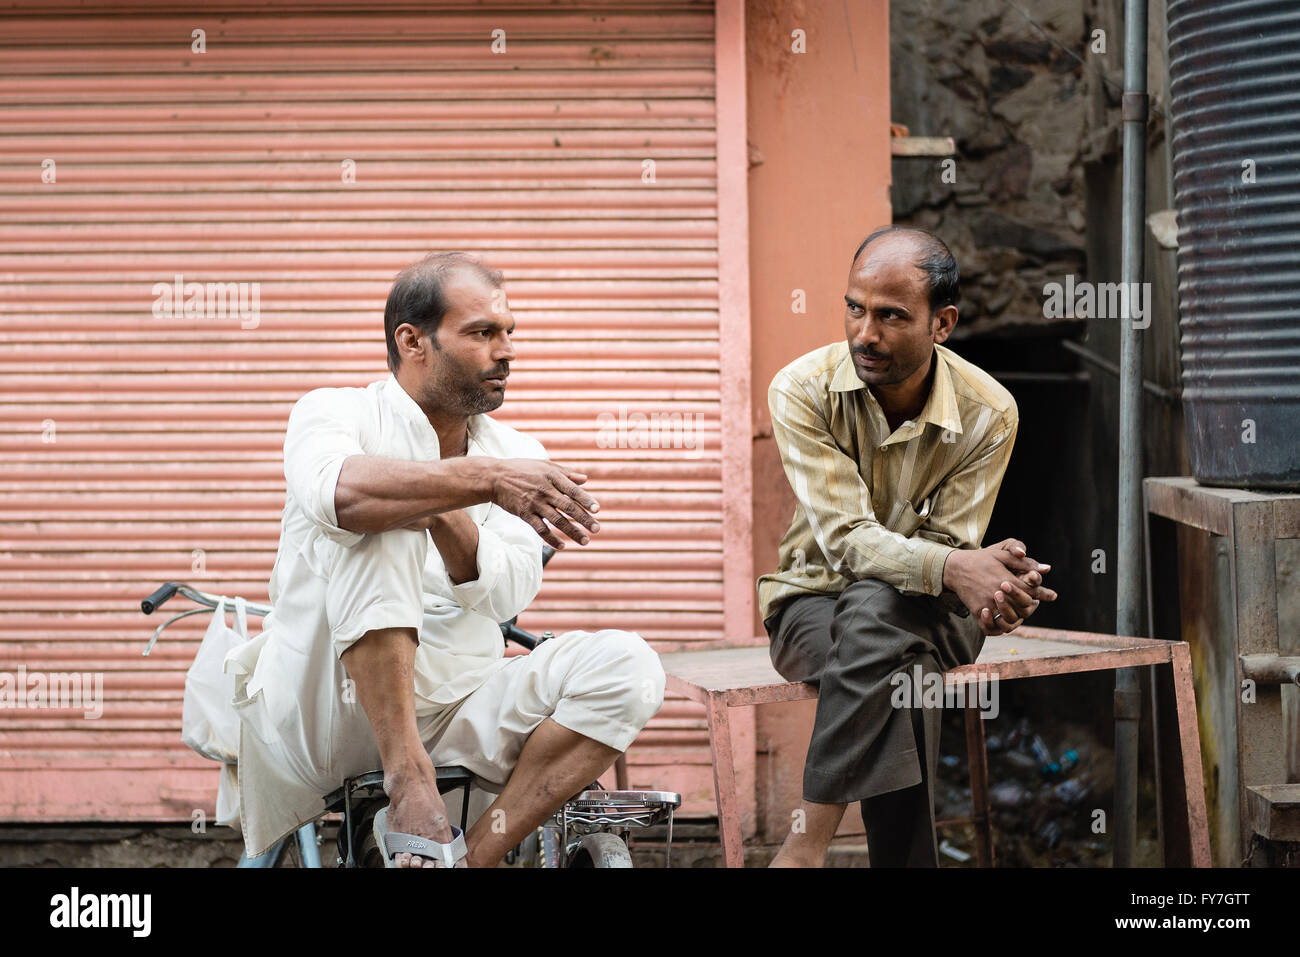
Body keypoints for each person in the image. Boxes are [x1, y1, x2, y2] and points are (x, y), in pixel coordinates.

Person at [225, 251, 665, 867]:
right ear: (413, 341)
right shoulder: (332, 412)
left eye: (509, 333)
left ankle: (471, 860)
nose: (507, 352)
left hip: (460, 704)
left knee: (629, 666)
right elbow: (338, 494)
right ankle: (408, 776)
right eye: (482, 333)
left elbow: (505, 596)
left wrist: (445, 498)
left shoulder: (518, 451)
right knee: (382, 521)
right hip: (333, 713)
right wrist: (473, 483)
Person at [757, 225, 1058, 867]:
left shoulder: (988, 411)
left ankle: (805, 845)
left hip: (933, 612)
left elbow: (957, 549)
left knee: (881, 619)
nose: (866, 333)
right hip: (811, 609)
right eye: (855, 308)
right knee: (900, 665)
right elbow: (845, 543)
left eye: (892, 316)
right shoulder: (802, 390)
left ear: (941, 324)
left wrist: (997, 588)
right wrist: (959, 568)